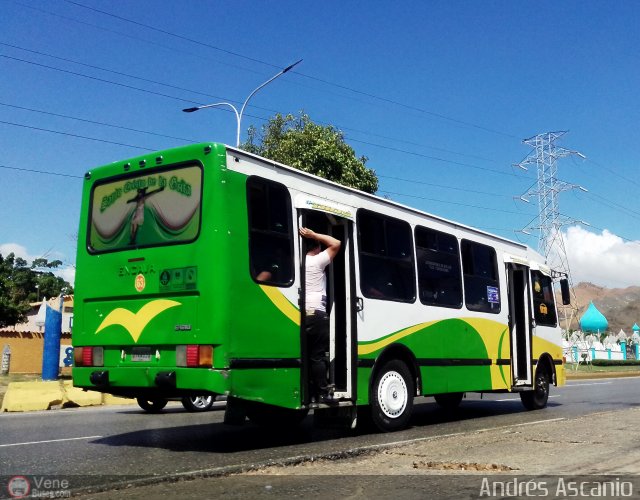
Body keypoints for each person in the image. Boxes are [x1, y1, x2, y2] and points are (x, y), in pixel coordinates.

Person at [299, 227, 341, 404]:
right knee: (317, 356)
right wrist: (315, 234)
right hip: (317, 313)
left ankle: (308, 393)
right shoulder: (316, 261)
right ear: (316, 247)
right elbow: (336, 243)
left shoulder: (299, 262)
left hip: (301, 314)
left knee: (305, 356)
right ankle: (323, 393)